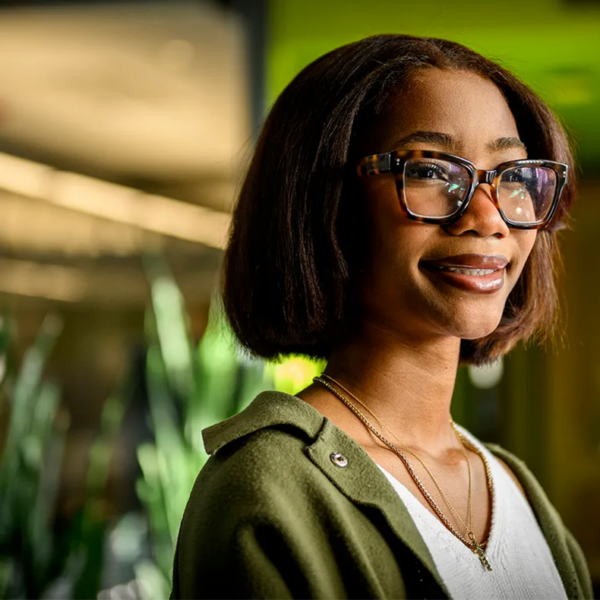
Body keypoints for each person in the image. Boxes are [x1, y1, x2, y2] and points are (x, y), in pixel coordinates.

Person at [170, 34, 593, 599]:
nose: (490, 217)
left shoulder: (512, 484)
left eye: (512, 176)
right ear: (327, 203)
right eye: (432, 171)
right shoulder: (268, 488)